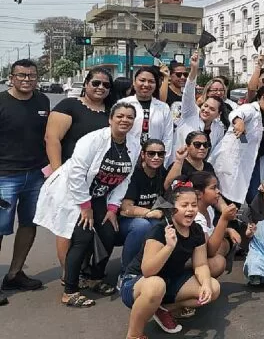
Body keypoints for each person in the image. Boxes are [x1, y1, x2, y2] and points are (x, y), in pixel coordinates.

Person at [35, 103, 140, 308]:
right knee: (82, 238)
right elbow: (76, 173)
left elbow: (125, 178)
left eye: (129, 117)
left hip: (100, 197)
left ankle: (94, 278)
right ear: (110, 119)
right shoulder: (92, 140)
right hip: (74, 194)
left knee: (108, 233)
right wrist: (85, 206)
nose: (124, 120)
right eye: (120, 116)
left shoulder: (133, 144)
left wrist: (112, 208)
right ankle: (70, 290)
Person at [121, 179, 221, 337]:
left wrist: (206, 284)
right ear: (173, 208)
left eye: (194, 205)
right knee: (155, 284)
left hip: (169, 280)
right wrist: (168, 247)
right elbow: (147, 271)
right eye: (184, 205)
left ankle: (164, 308)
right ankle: (134, 335)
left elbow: (201, 264)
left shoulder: (196, 231)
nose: (190, 210)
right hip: (137, 283)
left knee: (213, 288)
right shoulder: (160, 230)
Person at [45, 68, 113, 281]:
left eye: (106, 84)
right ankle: (69, 275)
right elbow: (52, 138)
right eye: (96, 83)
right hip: (70, 177)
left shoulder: (111, 111)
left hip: (99, 182)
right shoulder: (70, 105)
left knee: (88, 228)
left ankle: (83, 269)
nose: (101, 87)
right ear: (85, 84)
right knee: (67, 227)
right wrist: (57, 173)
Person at [0, 59, 50, 305]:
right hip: (5, 175)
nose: (27, 79)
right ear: (12, 77)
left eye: (31, 75)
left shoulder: (43, 101)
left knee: (29, 224)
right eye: (21, 75)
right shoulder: (1, 102)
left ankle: (14, 274)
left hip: (36, 175)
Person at [118, 139, 167, 284]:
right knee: (143, 226)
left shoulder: (161, 173)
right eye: (151, 153)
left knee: (162, 225)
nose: (156, 157)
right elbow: (126, 208)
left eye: (160, 154)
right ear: (143, 155)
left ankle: (153, 268)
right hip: (123, 222)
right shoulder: (135, 174)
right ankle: (126, 273)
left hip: (149, 218)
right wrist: (149, 212)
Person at [173, 51, 226, 165]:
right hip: (180, 165)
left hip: (201, 170)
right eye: (205, 106)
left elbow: (215, 153)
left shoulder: (219, 128)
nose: (206, 110)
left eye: (212, 109)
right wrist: (193, 70)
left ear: (218, 114)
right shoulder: (190, 113)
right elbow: (188, 92)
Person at [190, 172, 239, 278]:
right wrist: (224, 219)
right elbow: (210, 251)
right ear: (198, 194)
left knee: (225, 243)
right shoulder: (195, 217)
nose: (218, 191)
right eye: (213, 188)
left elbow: (211, 233)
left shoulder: (208, 209)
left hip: (200, 258)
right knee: (218, 262)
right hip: (189, 260)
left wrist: (228, 230)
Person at [120, 67, 173, 149]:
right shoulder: (122, 104)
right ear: (134, 82)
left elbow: (168, 138)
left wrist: (163, 159)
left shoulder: (164, 108)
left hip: (155, 157)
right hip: (127, 155)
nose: (146, 84)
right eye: (142, 80)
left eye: (151, 81)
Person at [159, 60, 188, 127]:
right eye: (179, 75)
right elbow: (161, 102)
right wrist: (166, 77)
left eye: (185, 75)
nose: (183, 77)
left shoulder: (185, 95)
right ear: (170, 76)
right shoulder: (165, 91)